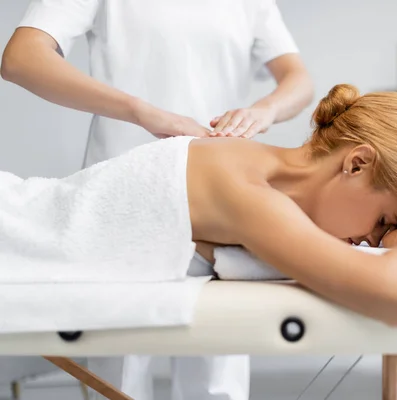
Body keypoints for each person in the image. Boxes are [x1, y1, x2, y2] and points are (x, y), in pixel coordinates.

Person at [1, 0, 313, 399]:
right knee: (118, 377)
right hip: (123, 195)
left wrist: (265, 110)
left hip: (218, 202)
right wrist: (141, 111)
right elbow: (21, 59)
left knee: (217, 376)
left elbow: (297, 78)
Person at [1, 82, 397, 335]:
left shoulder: (259, 179)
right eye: (382, 222)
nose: (375, 242)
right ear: (356, 163)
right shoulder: (246, 189)